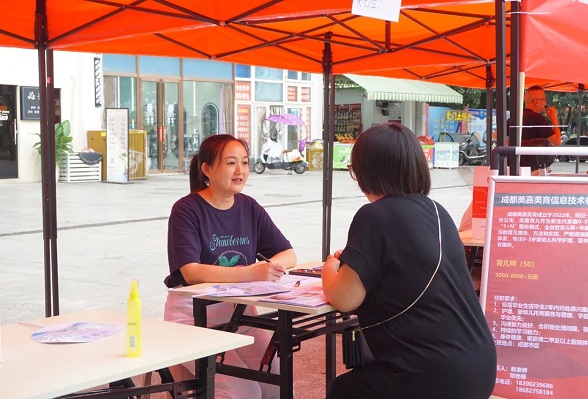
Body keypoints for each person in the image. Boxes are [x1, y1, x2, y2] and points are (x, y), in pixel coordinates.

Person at [322, 123, 496, 399]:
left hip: (430, 374)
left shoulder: (374, 216)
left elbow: (344, 298)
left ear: (366, 171)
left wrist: (330, 267)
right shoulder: (438, 212)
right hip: (480, 367)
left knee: (344, 391)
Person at [163, 134, 297, 399]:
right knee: (244, 392)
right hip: (193, 317)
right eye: (231, 163)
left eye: (245, 163)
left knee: (279, 384)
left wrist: (272, 268)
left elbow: (289, 253)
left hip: (241, 314)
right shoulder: (186, 210)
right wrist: (250, 272)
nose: (240, 171)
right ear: (207, 169)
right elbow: (191, 271)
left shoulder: (249, 207)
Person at [518, 85, 562, 175]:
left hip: (516, 166)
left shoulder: (515, 117)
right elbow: (557, 141)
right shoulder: (538, 119)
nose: (545, 104)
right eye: (544, 100)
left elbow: (495, 134)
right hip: (535, 167)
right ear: (536, 102)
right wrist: (554, 118)